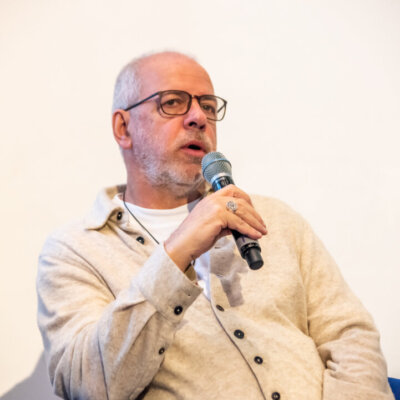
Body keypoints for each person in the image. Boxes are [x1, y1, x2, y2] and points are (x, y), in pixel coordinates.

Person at [37, 51, 394, 400]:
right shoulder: (74, 252)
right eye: (173, 102)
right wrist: (177, 252)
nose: (199, 118)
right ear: (123, 127)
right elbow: (89, 385)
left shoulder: (276, 220)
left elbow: (351, 337)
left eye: (208, 106)